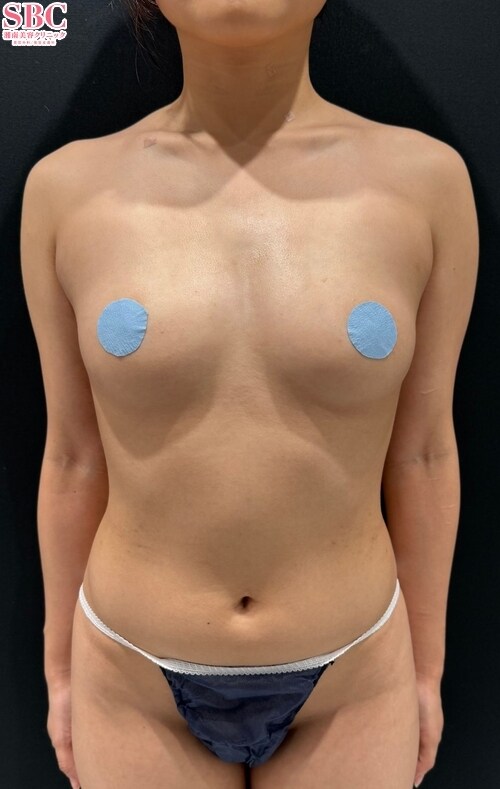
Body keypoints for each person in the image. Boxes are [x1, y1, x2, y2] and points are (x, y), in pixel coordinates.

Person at [20, 1, 479, 787]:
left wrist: (427, 669)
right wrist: (58, 670)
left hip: (357, 671)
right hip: (129, 673)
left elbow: (426, 450)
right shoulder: (65, 190)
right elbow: (71, 455)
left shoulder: (428, 183)